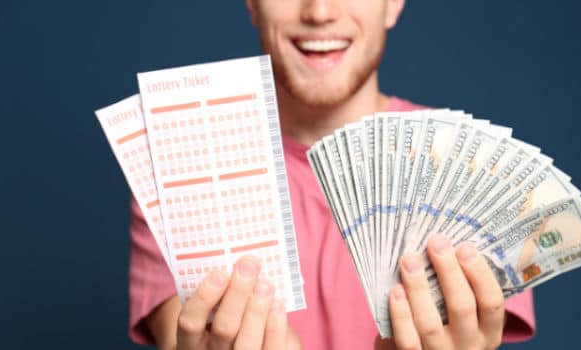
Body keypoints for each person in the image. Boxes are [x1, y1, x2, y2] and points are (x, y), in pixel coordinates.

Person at [129, 0, 536, 349]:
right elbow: (179, 335)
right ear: (252, 3)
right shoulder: (179, 167)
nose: (320, 11)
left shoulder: (470, 167)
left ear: (393, 3)